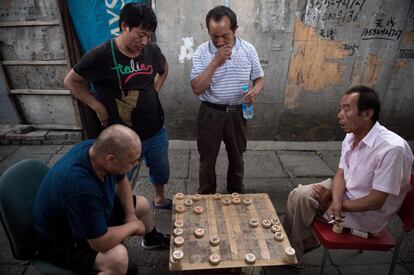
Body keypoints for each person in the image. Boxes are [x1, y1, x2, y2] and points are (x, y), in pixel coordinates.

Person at [283, 85, 413, 260]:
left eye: (347, 109)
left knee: (301, 199)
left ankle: (294, 253)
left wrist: (338, 205)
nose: (339, 115)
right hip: (346, 194)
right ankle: (297, 246)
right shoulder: (352, 135)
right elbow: (341, 174)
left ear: (367, 114)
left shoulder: (392, 149)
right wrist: (335, 199)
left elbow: (376, 201)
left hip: (367, 214)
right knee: (296, 195)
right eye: (340, 108)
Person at [64, 3, 172, 209]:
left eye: (149, 35)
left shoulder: (151, 50)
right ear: (124, 25)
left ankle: (160, 198)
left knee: (161, 170)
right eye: (140, 34)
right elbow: (71, 81)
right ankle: (122, 209)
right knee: (119, 178)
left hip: (155, 129)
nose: (144, 41)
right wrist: (96, 106)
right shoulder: (102, 55)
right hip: (122, 135)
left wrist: (155, 91)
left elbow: (164, 69)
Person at [33, 124, 170, 274]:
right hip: (63, 242)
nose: (136, 164)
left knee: (142, 204)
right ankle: (112, 269)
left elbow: (121, 179)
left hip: (87, 213)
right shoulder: (82, 188)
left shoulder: (95, 150)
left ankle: (152, 240)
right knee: (118, 257)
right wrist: (133, 226)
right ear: (111, 159)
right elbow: (99, 243)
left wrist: (130, 215)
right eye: (132, 161)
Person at [190, 5, 265, 194]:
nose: (220, 41)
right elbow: (197, 88)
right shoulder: (201, 52)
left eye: (225, 36)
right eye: (214, 36)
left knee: (237, 156)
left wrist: (255, 90)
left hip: (237, 113)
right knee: (207, 159)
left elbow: (259, 78)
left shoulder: (248, 49)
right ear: (208, 31)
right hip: (210, 112)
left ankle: (235, 192)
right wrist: (215, 62)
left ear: (235, 30)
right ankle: (206, 194)